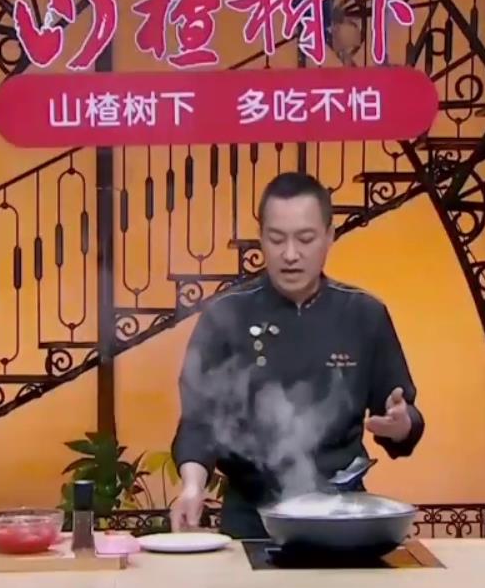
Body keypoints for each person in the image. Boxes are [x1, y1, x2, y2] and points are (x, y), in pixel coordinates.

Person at [169, 172, 426, 538]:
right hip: (250, 517)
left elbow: (403, 412)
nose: (290, 254)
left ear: (329, 236)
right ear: (261, 238)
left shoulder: (364, 314)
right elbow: (198, 421)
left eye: (305, 239)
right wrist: (193, 487)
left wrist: (402, 425)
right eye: (277, 239)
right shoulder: (226, 315)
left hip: (341, 512)